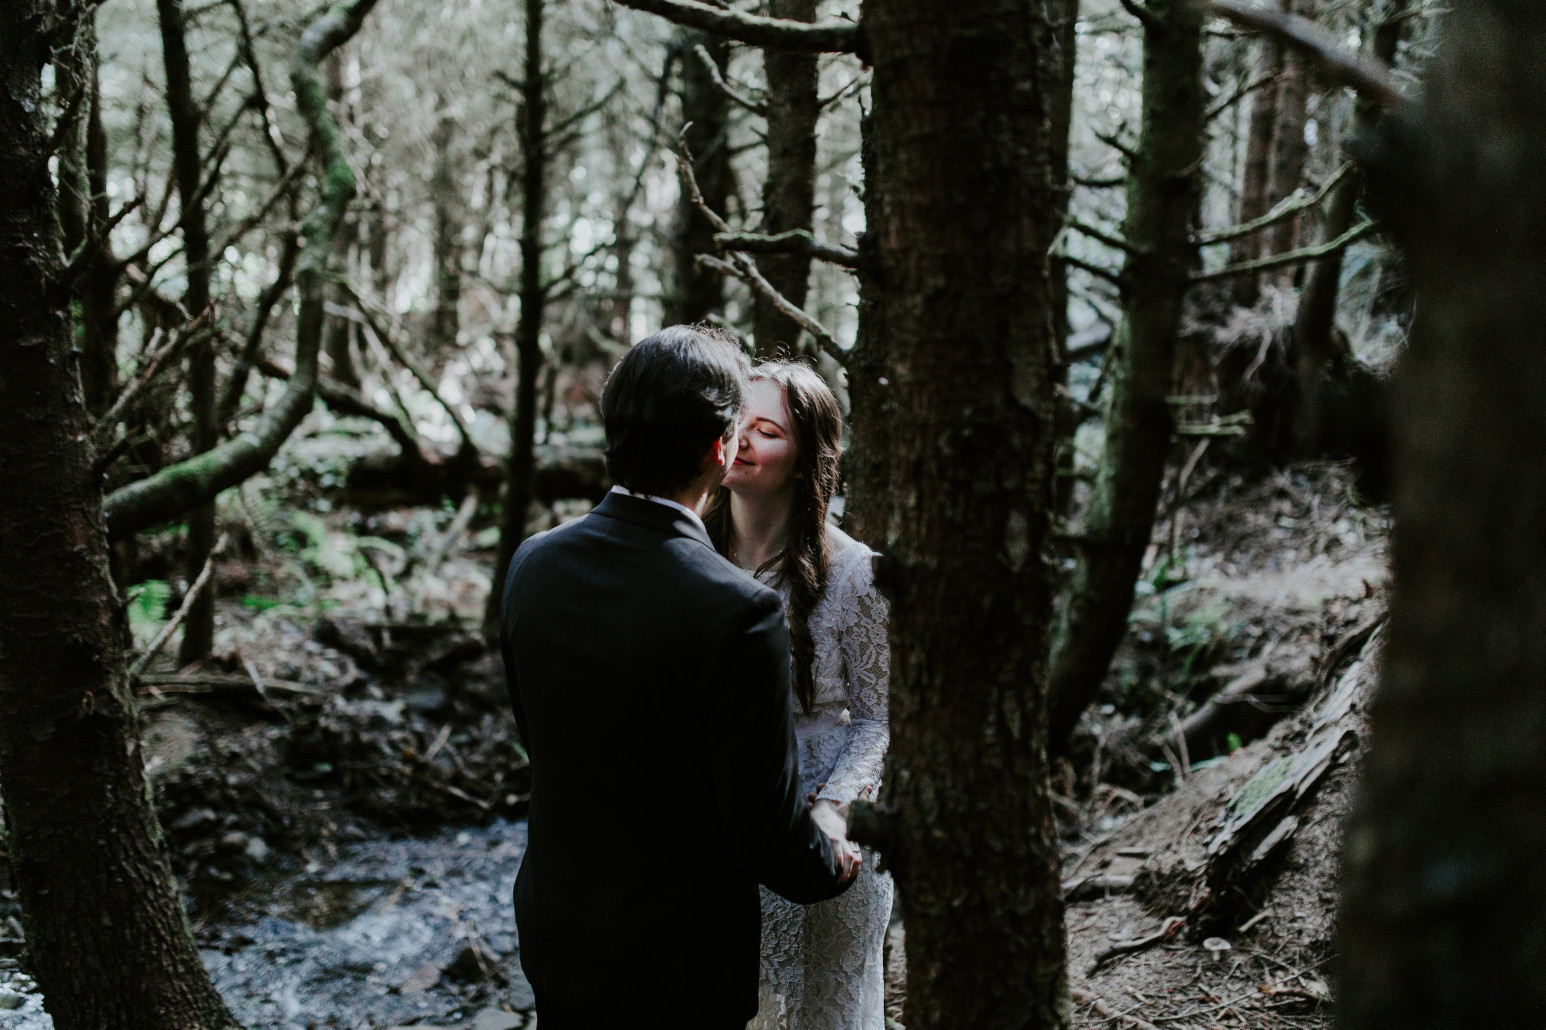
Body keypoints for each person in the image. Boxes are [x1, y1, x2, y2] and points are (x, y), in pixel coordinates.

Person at [498, 326, 859, 1030]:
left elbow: (542, 742)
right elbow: (764, 834)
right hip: (677, 963)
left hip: (557, 927)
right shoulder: (740, 612)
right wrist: (831, 864)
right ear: (719, 450)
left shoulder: (532, 563)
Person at [704, 360, 894, 1030]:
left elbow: (878, 720)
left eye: (768, 431)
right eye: (736, 424)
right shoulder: (687, 555)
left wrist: (833, 814)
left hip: (822, 825)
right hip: (715, 831)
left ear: (808, 458)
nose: (744, 441)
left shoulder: (856, 574)